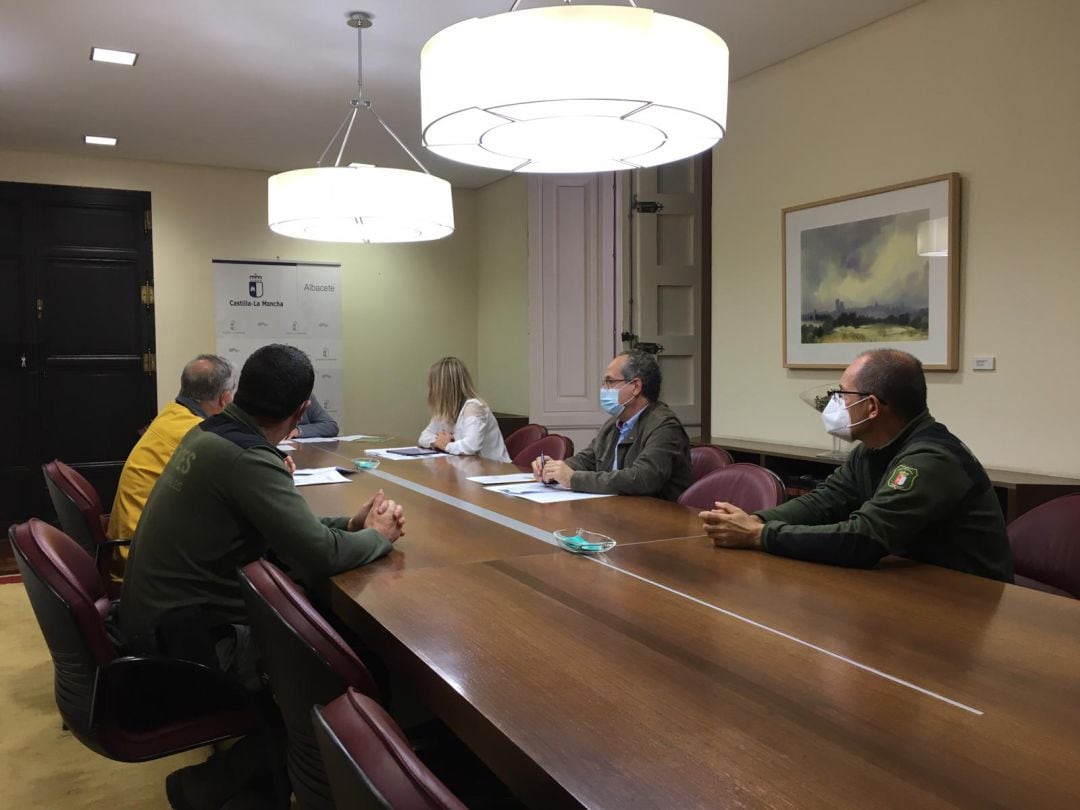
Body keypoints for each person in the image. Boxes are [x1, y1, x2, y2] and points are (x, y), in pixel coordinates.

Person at [120, 344, 405, 685]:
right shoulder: (247, 457)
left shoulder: (206, 433)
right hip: (193, 651)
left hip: (158, 626)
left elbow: (284, 529)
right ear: (301, 411)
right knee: (364, 662)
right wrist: (378, 535)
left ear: (238, 394)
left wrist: (350, 525)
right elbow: (321, 554)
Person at [700, 349, 1014, 582]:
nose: (834, 403)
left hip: (966, 598)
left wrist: (760, 535)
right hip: (910, 585)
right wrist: (753, 520)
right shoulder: (872, 450)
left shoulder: (930, 460)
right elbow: (824, 502)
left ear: (872, 406)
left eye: (842, 394)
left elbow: (863, 539)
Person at [107, 355, 234, 562]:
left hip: (137, 543)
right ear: (225, 398)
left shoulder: (171, 413)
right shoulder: (196, 432)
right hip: (144, 560)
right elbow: (236, 482)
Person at [533, 350, 693, 501]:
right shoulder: (614, 424)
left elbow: (642, 478)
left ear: (636, 386)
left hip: (657, 518)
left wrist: (573, 478)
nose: (604, 389)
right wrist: (555, 469)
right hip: (618, 511)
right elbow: (588, 459)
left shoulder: (664, 426)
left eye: (610, 382)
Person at [418, 356, 510, 462]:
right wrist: (436, 442)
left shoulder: (473, 407)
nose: (430, 390)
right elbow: (423, 437)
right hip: (466, 467)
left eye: (432, 385)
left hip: (494, 471)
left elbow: (471, 446)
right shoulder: (445, 411)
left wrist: (446, 445)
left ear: (442, 388)